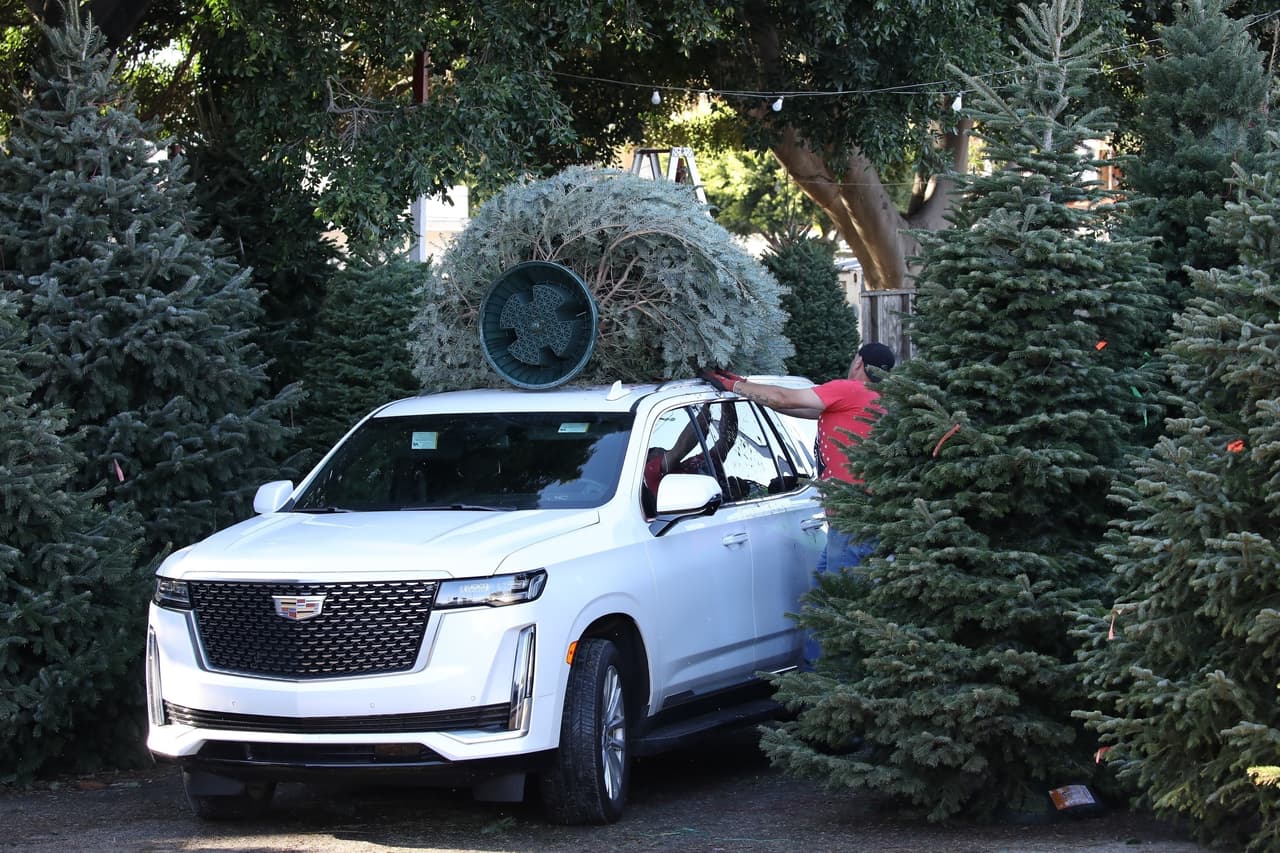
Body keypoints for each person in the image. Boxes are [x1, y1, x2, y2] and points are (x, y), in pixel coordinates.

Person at [701, 342, 895, 574]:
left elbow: (783, 398)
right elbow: (795, 407)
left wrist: (733, 386)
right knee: (821, 597)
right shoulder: (874, 399)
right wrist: (746, 386)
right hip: (857, 521)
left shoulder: (851, 390)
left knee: (837, 599)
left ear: (858, 362)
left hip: (850, 524)